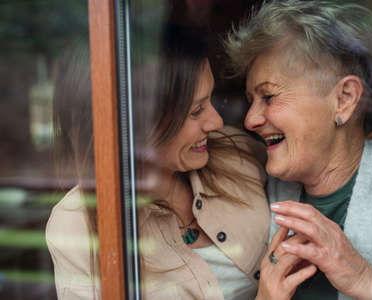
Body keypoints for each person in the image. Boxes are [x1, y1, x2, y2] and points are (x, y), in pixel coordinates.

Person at [225, 1, 372, 299]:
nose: (250, 119)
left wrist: (364, 277)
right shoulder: (256, 184)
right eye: (251, 99)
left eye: (269, 96)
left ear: (344, 99)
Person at [46, 25, 270, 300]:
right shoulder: (76, 223)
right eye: (196, 111)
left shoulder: (240, 155)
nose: (216, 122)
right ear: (135, 124)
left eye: (211, 100)